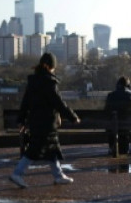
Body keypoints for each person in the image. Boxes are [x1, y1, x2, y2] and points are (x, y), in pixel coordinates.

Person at [8, 53, 81, 188]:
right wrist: (72, 117)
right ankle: (17, 173)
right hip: (46, 122)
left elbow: (25, 103)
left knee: (52, 149)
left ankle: (58, 175)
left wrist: (22, 120)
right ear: (50, 67)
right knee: (35, 150)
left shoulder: (33, 82)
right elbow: (59, 103)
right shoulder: (49, 82)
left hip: (35, 121)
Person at [103, 76, 131, 155]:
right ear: (128, 86)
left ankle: (111, 147)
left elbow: (106, 111)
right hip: (129, 124)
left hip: (112, 125)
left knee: (110, 123)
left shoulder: (110, 95)